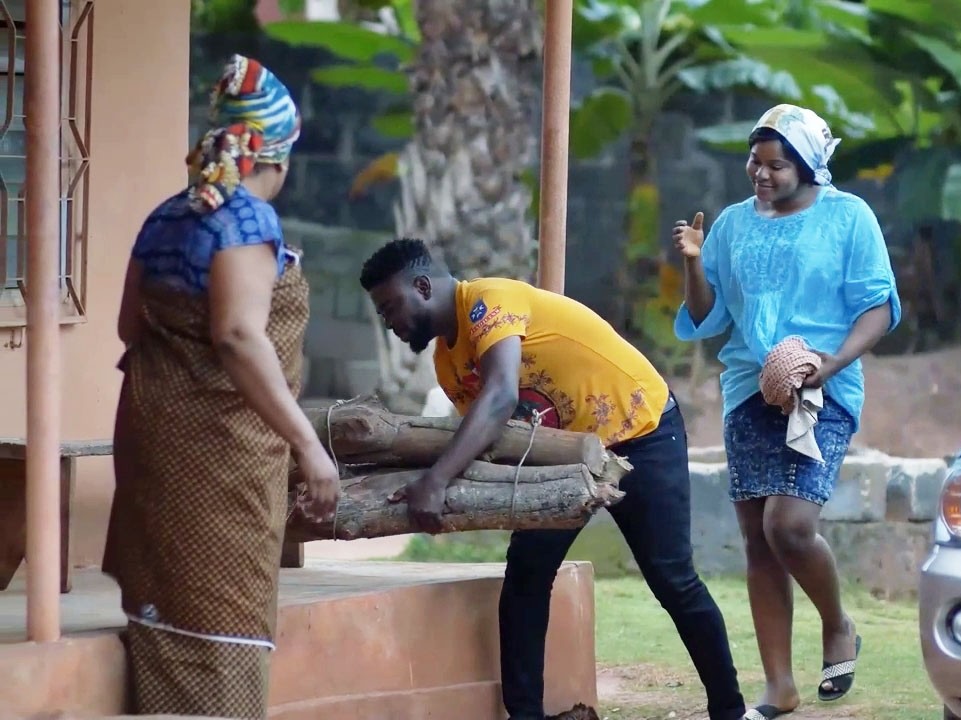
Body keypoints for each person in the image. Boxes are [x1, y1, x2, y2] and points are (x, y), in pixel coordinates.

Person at [358, 238, 748, 720]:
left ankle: (729, 711)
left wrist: (436, 481)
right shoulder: (447, 363)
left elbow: (500, 398)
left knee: (672, 579)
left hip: (640, 431)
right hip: (561, 457)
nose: (388, 322)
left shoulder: (487, 301)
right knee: (526, 577)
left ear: (422, 286)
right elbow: (495, 436)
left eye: (389, 306)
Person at [103, 54, 339, 719]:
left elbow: (128, 327)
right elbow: (237, 335)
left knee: (164, 614)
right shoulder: (244, 222)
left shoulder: (166, 217)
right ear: (276, 158)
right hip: (218, 462)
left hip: (154, 441)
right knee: (220, 623)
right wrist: (309, 446)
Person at [672, 103, 901, 719]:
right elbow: (706, 315)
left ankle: (837, 623)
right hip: (749, 388)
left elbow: (878, 307)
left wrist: (833, 362)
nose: (762, 174)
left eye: (776, 165)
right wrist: (694, 261)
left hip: (823, 386)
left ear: (809, 166)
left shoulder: (849, 217)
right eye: (755, 161)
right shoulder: (731, 225)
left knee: (789, 525)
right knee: (757, 539)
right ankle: (779, 686)